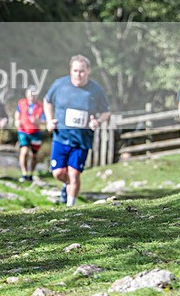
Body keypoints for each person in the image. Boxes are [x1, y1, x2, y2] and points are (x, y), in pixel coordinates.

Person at [44, 55, 110, 206]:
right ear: (70, 70)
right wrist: (49, 119)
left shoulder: (95, 90)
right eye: (75, 71)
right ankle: (65, 186)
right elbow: (47, 101)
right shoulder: (59, 85)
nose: (78, 74)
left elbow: (106, 112)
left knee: (74, 174)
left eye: (81, 71)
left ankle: (70, 207)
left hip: (82, 139)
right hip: (61, 136)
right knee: (58, 173)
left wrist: (97, 121)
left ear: (88, 71)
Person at [15, 85, 45, 182]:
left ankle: (30, 174)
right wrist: (17, 121)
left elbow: (44, 120)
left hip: (35, 132)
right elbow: (17, 115)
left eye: (34, 95)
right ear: (26, 95)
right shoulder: (21, 103)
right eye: (30, 95)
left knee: (34, 155)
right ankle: (24, 174)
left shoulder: (41, 106)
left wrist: (38, 121)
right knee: (24, 152)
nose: (31, 97)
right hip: (23, 131)